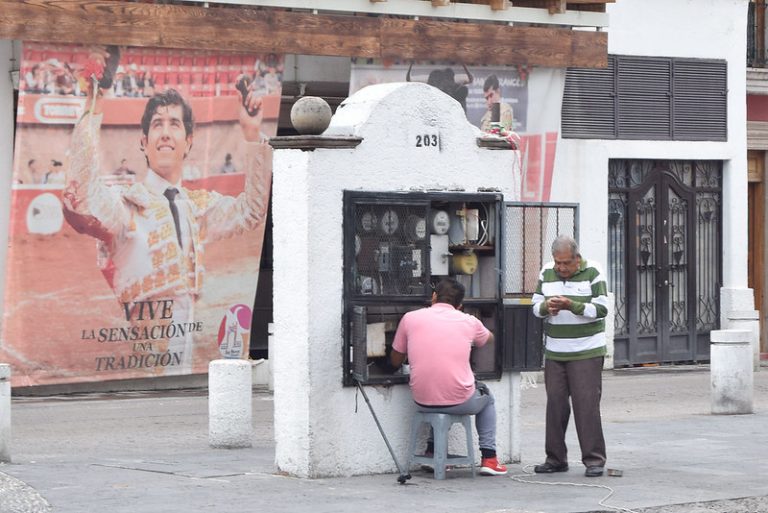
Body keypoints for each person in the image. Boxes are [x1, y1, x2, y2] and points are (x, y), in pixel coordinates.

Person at [62, 56, 269, 372]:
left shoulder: (198, 205)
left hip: (186, 353)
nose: (165, 133)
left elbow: (252, 213)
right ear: (144, 142)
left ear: (188, 143)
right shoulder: (127, 204)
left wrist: (252, 135)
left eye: (175, 124)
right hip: (147, 358)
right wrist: (94, 103)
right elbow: (85, 198)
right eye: (157, 124)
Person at [390, 277, 508, 476]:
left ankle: (433, 452)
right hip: (460, 400)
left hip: (421, 400)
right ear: (460, 305)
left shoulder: (410, 318)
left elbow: (395, 360)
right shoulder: (469, 321)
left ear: (433, 296)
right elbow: (489, 338)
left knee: (439, 392)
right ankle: (489, 458)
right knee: (487, 399)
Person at [531, 235, 610, 478]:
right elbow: (535, 306)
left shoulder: (594, 271)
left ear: (577, 258)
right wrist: (547, 308)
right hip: (555, 351)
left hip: (586, 350)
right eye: (558, 263)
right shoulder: (546, 272)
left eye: (566, 263)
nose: (562, 268)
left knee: (586, 405)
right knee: (555, 404)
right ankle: (555, 459)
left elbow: (601, 309)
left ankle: (594, 460)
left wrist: (571, 305)